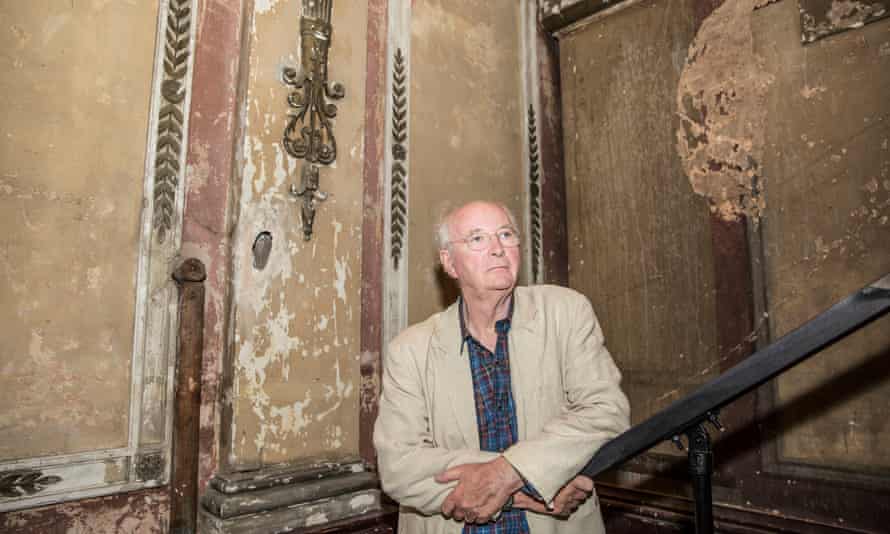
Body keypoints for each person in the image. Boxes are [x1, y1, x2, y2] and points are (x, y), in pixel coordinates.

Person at [373, 201, 630, 533]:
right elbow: (399, 467)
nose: (497, 248)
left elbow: (605, 411)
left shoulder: (565, 313)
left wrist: (508, 471)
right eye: (477, 238)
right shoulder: (410, 350)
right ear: (450, 263)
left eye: (506, 234)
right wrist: (525, 493)